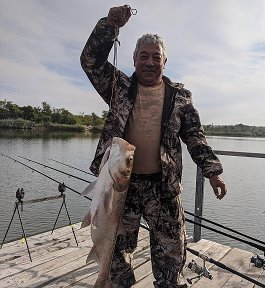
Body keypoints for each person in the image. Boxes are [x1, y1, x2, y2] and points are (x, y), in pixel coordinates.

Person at [80, 5, 227, 288]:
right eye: (143, 56)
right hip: (123, 185)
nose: (149, 62)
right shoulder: (118, 87)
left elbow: (195, 136)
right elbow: (91, 62)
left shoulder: (180, 97)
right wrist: (108, 27)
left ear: (165, 61)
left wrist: (212, 172)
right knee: (117, 252)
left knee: (172, 251)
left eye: (155, 57)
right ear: (134, 59)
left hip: (164, 187)